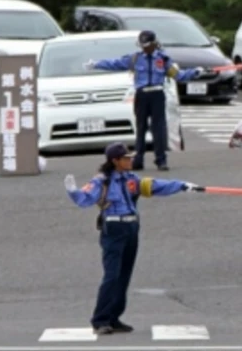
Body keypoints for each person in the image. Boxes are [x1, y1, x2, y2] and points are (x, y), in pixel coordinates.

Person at [64, 142, 201, 335]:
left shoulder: (131, 179)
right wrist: (72, 191)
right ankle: (100, 320)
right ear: (115, 161)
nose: (131, 160)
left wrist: (181, 185)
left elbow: (154, 186)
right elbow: (85, 200)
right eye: (126, 158)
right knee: (111, 275)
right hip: (113, 227)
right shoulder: (101, 181)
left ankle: (114, 317)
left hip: (131, 226)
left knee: (124, 276)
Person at [84, 30, 206, 171]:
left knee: (158, 129)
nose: (144, 48)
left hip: (157, 94)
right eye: (142, 45)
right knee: (140, 128)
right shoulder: (135, 59)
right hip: (141, 95)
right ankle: (138, 160)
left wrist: (195, 72)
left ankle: (161, 160)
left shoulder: (163, 60)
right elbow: (115, 63)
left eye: (147, 45)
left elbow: (178, 75)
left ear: (154, 43)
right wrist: (96, 64)